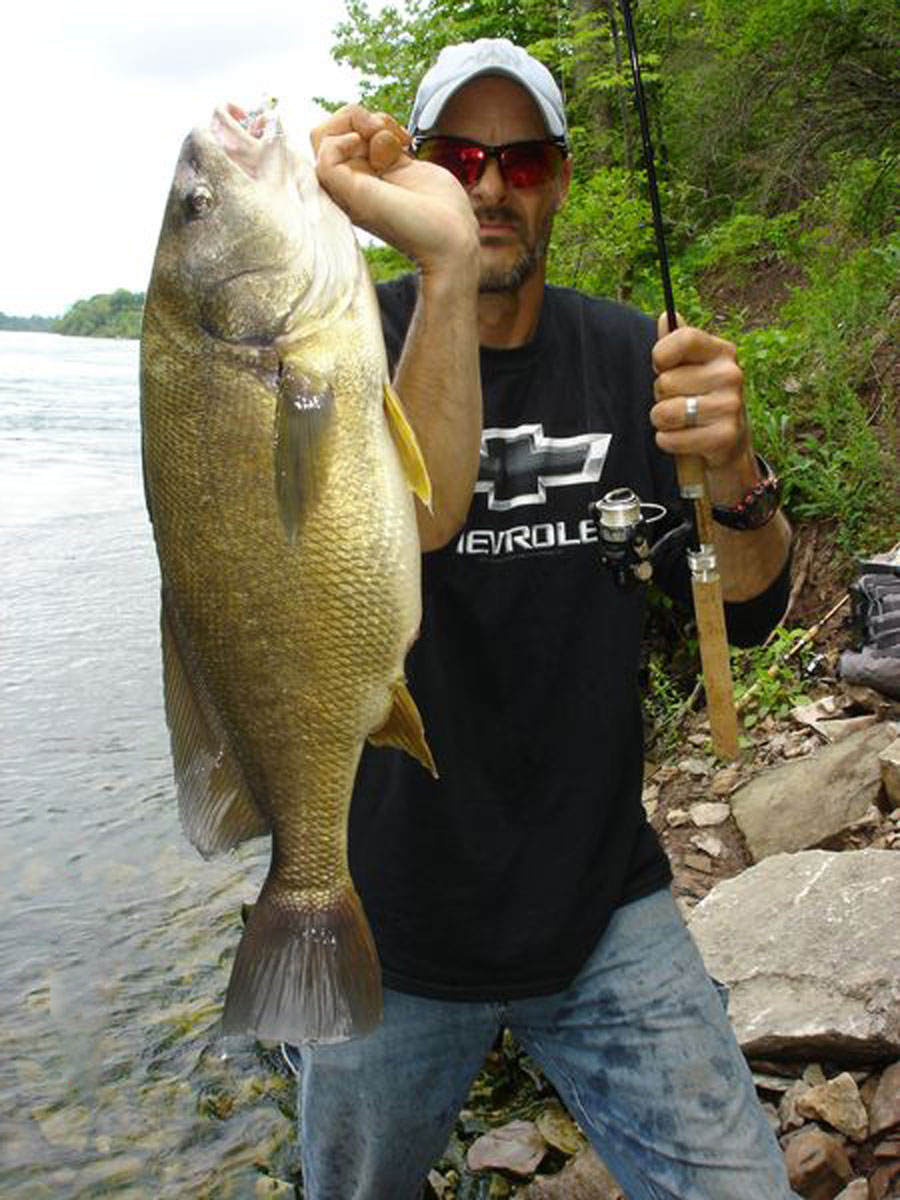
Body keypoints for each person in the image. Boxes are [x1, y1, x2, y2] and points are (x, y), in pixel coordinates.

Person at [296, 37, 797, 1200]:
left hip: (601, 911)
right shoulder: (337, 353)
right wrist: (329, 215)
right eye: (459, 157)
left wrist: (735, 473)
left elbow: (758, 603)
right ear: (414, 169)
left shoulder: (632, 356)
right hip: (389, 928)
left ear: (562, 179)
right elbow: (412, 524)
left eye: (522, 164)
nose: (488, 187)